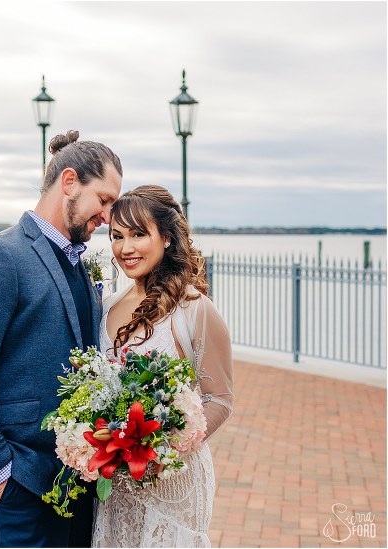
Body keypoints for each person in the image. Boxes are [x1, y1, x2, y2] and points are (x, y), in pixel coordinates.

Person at [0, 130, 123, 547]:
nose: (108, 217)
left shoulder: (78, 263)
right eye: (105, 200)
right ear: (70, 182)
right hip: (20, 481)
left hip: (76, 482)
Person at [92, 185, 234, 548]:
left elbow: (220, 399)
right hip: (117, 487)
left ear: (167, 238)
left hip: (175, 482)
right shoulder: (106, 307)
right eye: (117, 236)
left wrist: (163, 450)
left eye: (139, 234)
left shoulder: (194, 309)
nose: (126, 248)